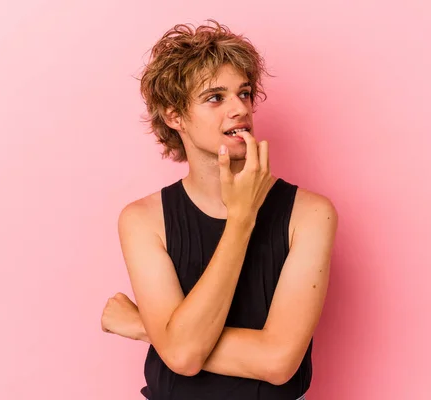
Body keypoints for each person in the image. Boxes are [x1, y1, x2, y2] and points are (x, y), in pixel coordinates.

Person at [101, 20, 338, 400]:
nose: (239, 109)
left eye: (244, 93)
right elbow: (181, 355)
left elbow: (278, 363)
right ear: (173, 116)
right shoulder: (143, 220)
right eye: (215, 97)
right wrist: (241, 220)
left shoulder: (310, 214)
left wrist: (148, 327)